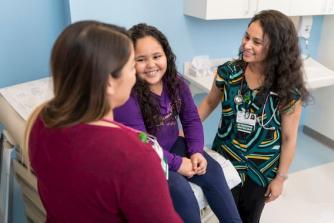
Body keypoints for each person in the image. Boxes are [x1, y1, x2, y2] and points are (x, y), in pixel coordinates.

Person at [23, 21, 182, 223]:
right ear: (108, 82)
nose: (136, 75)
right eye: (132, 66)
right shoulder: (134, 155)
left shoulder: (41, 120)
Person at [114, 23, 241, 223]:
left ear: (166, 56)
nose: (151, 65)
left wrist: (197, 151)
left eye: (157, 56)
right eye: (141, 59)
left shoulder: (176, 82)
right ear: (130, 63)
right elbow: (143, 145)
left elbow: (191, 119)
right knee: (182, 193)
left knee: (213, 170)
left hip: (172, 144)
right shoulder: (127, 98)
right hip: (148, 159)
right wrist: (177, 164)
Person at [198, 10, 310, 223]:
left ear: (276, 48)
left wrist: (280, 179)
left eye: (257, 42)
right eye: (246, 37)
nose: (247, 45)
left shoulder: (287, 90)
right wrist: (184, 132)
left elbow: (289, 138)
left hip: (261, 168)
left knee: (249, 218)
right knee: (225, 215)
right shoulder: (229, 73)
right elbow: (209, 102)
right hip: (226, 159)